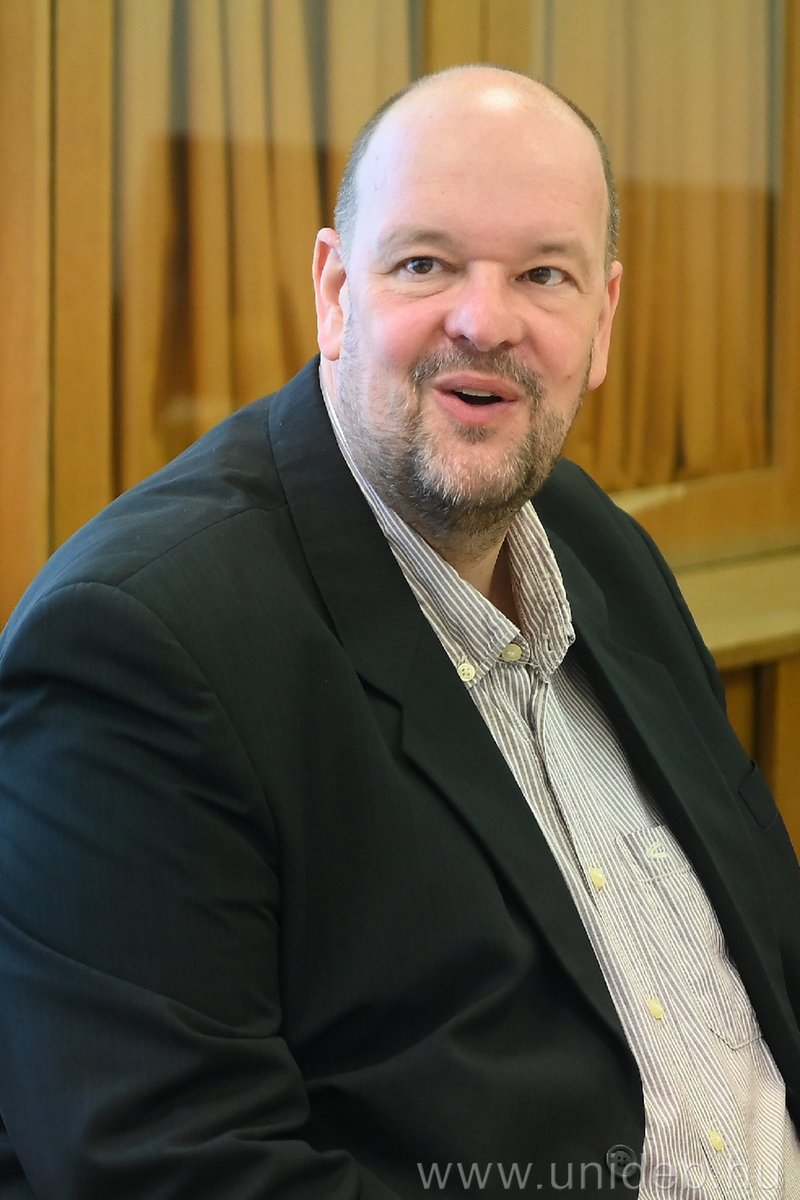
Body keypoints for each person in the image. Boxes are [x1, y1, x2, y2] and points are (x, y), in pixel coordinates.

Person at [0, 65, 799, 1199]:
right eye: (425, 263)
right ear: (335, 292)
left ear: (603, 319)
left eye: (543, 273)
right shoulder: (138, 650)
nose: (485, 320)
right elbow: (173, 1168)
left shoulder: (593, 540)